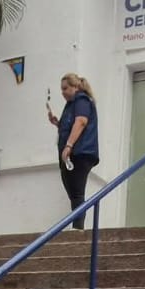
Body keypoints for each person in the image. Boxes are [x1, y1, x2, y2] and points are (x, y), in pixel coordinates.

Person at [46, 74, 99, 228]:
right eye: (61, 89)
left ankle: (78, 228)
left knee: (76, 192)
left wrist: (68, 146)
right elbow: (71, 125)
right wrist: (57, 123)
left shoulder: (81, 100)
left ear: (75, 87)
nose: (62, 92)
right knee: (74, 193)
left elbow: (81, 122)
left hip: (80, 153)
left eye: (65, 88)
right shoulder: (71, 105)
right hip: (75, 153)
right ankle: (77, 227)